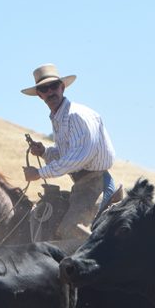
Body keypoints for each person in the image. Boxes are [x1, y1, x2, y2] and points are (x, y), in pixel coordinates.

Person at [21, 63, 119, 240]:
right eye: (44, 88)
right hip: (83, 185)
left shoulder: (75, 115)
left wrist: (39, 173)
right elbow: (67, 153)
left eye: (54, 86)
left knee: (71, 231)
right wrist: (44, 152)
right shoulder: (60, 117)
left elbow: (79, 158)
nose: (50, 92)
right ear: (39, 95)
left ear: (62, 87)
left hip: (95, 184)